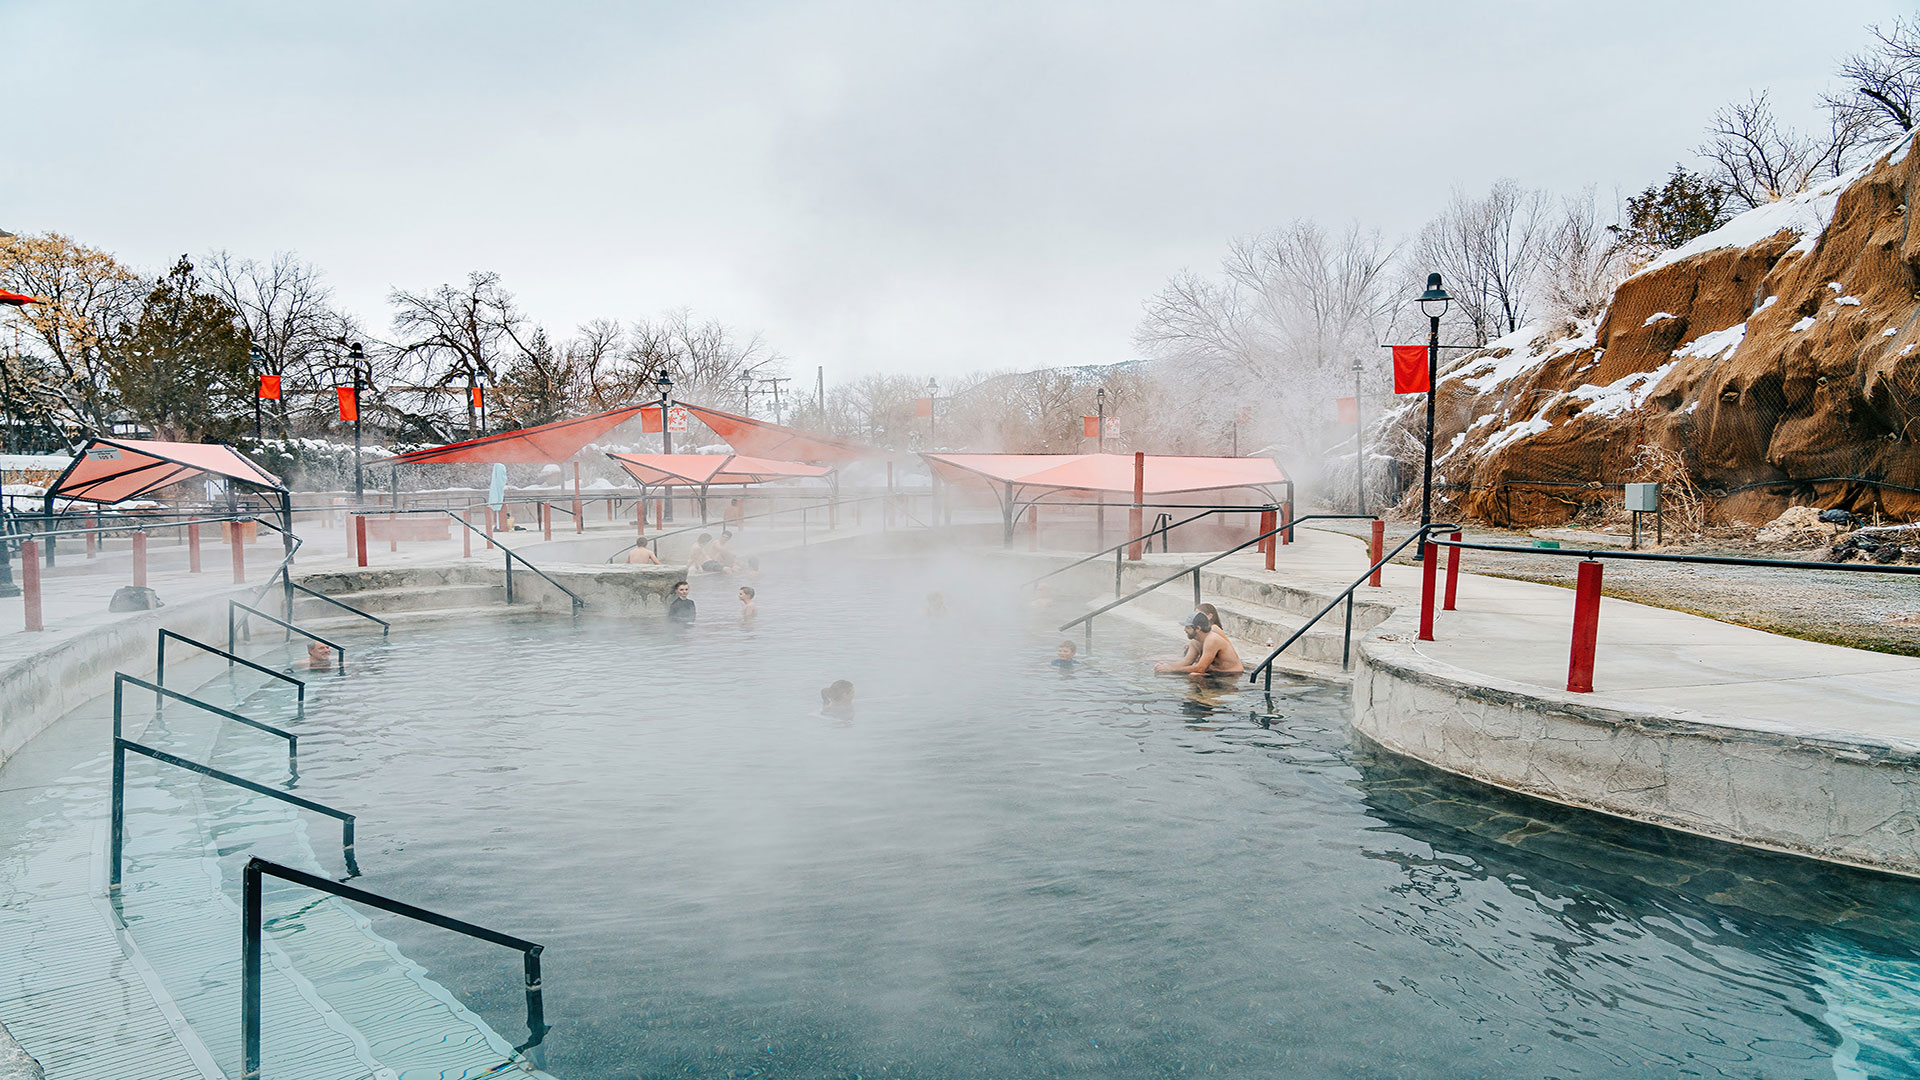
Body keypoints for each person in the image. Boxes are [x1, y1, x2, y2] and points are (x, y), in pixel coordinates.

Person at [1155, 612, 1244, 678]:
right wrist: (1167, 666)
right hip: (1216, 672)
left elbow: (1200, 668)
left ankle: (1204, 701)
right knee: (1193, 675)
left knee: (1195, 675)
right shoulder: (1195, 641)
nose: (1184, 630)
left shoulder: (1212, 639)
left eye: (1187, 627)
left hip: (1232, 674)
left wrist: (1172, 670)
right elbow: (1186, 662)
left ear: (1198, 628)